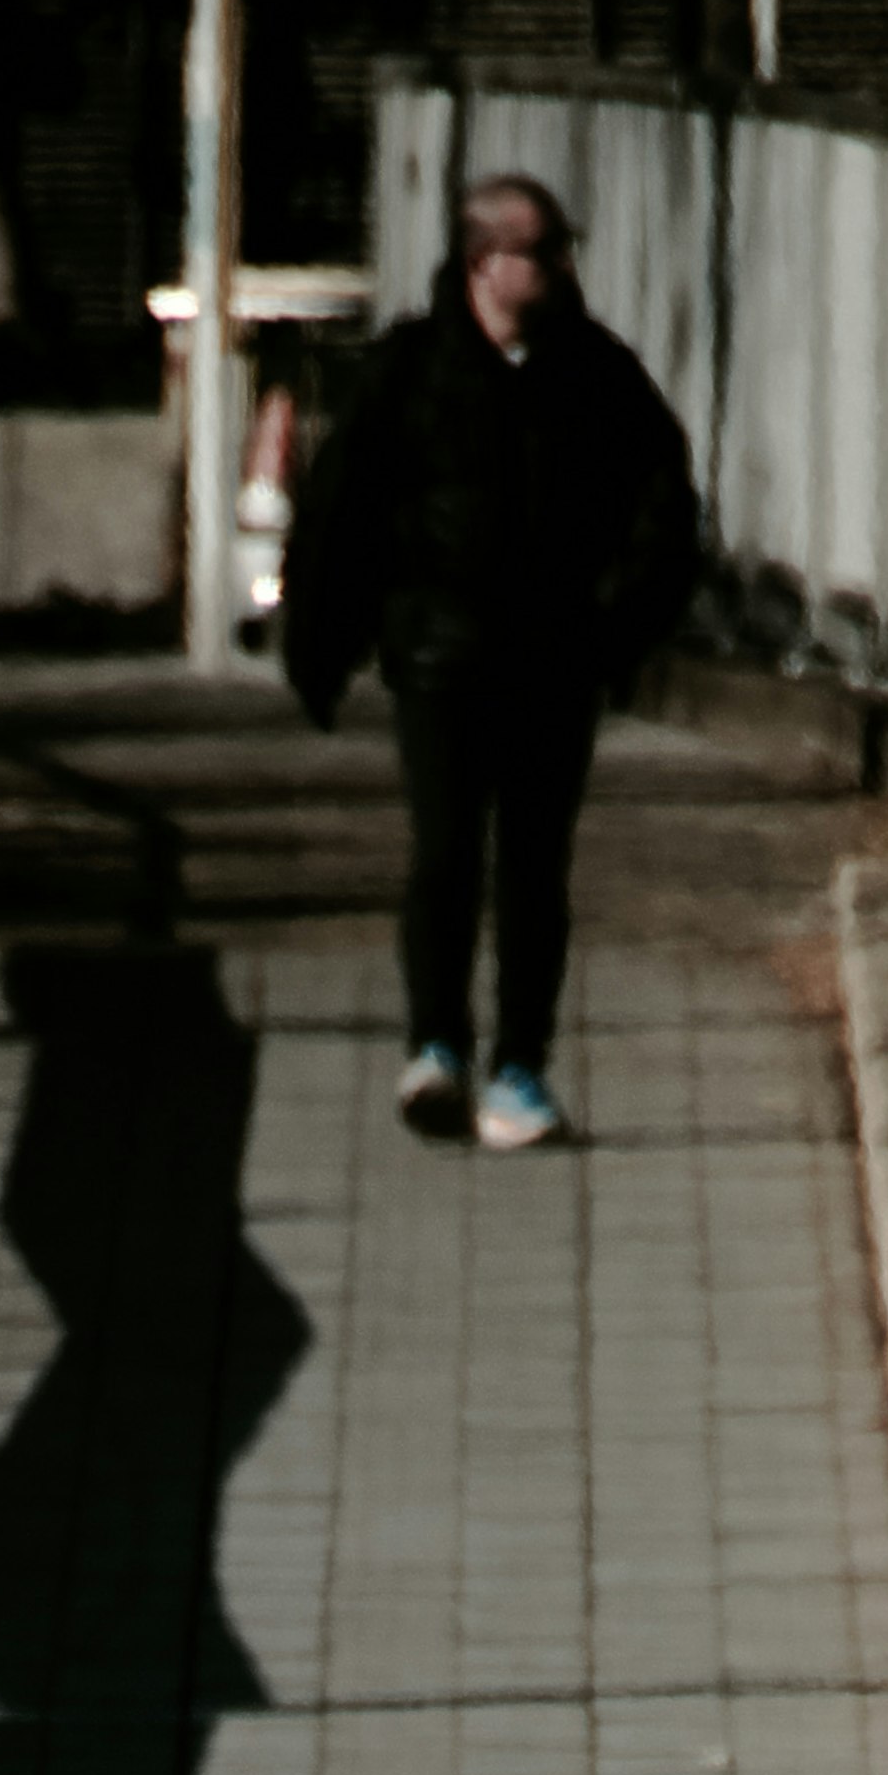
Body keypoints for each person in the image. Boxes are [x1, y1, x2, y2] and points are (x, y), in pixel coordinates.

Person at [280, 170, 699, 1154]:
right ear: (484, 261)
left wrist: (618, 630)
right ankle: (436, 1045)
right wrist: (323, 646)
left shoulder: (596, 373)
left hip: (556, 661)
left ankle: (520, 1065)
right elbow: (346, 510)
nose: (559, 267)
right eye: (542, 250)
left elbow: (664, 506)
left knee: (534, 869)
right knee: (445, 855)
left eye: (560, 250)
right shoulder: (412, 370)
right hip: (440, 658)